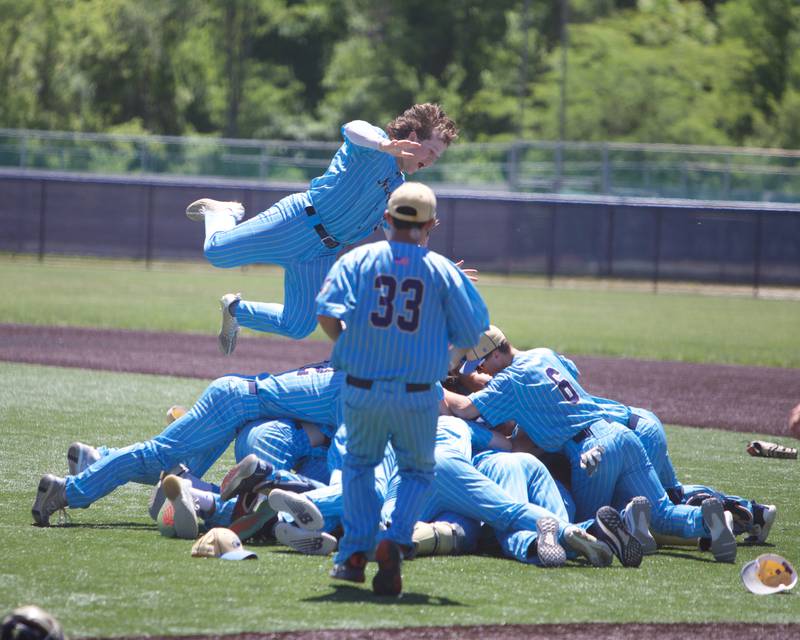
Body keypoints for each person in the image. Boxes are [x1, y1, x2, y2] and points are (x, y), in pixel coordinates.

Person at [315, 182, 489, 596]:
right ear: (431, 224)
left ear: (387, 218)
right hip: (418, 393)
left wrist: (346, 344)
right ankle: (396, 541)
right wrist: (445, 357)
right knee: (415, 472)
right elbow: (472, 329)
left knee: (358, 466)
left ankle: (355, 551)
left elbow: (325, 311)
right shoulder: (444, 271)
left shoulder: (359, 259)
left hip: (362, 387)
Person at [443, 326, 739, 563]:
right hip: (620, 434)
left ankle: (628, 518)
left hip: (590, 451)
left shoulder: (509, 379)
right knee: (661, 511)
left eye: (481, 364)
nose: (483, 372)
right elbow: (571, 375)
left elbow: (466, 408)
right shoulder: (544, 354)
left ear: (495, 354)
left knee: (587, 524)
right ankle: (707, 518)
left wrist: (430, 386)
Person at [185, 103, 458, 353]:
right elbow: (352, 128)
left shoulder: (400, 191)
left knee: (298, 326)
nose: (432, 160)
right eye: (432, 151)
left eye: (437, 156)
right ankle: (223, 212)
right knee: (216, 253)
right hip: (297, 222)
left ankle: (235, 310)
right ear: (412, 137)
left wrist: (434, 267)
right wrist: (383, 144)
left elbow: (398, 241)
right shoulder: (375, 145)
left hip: (321, 254)